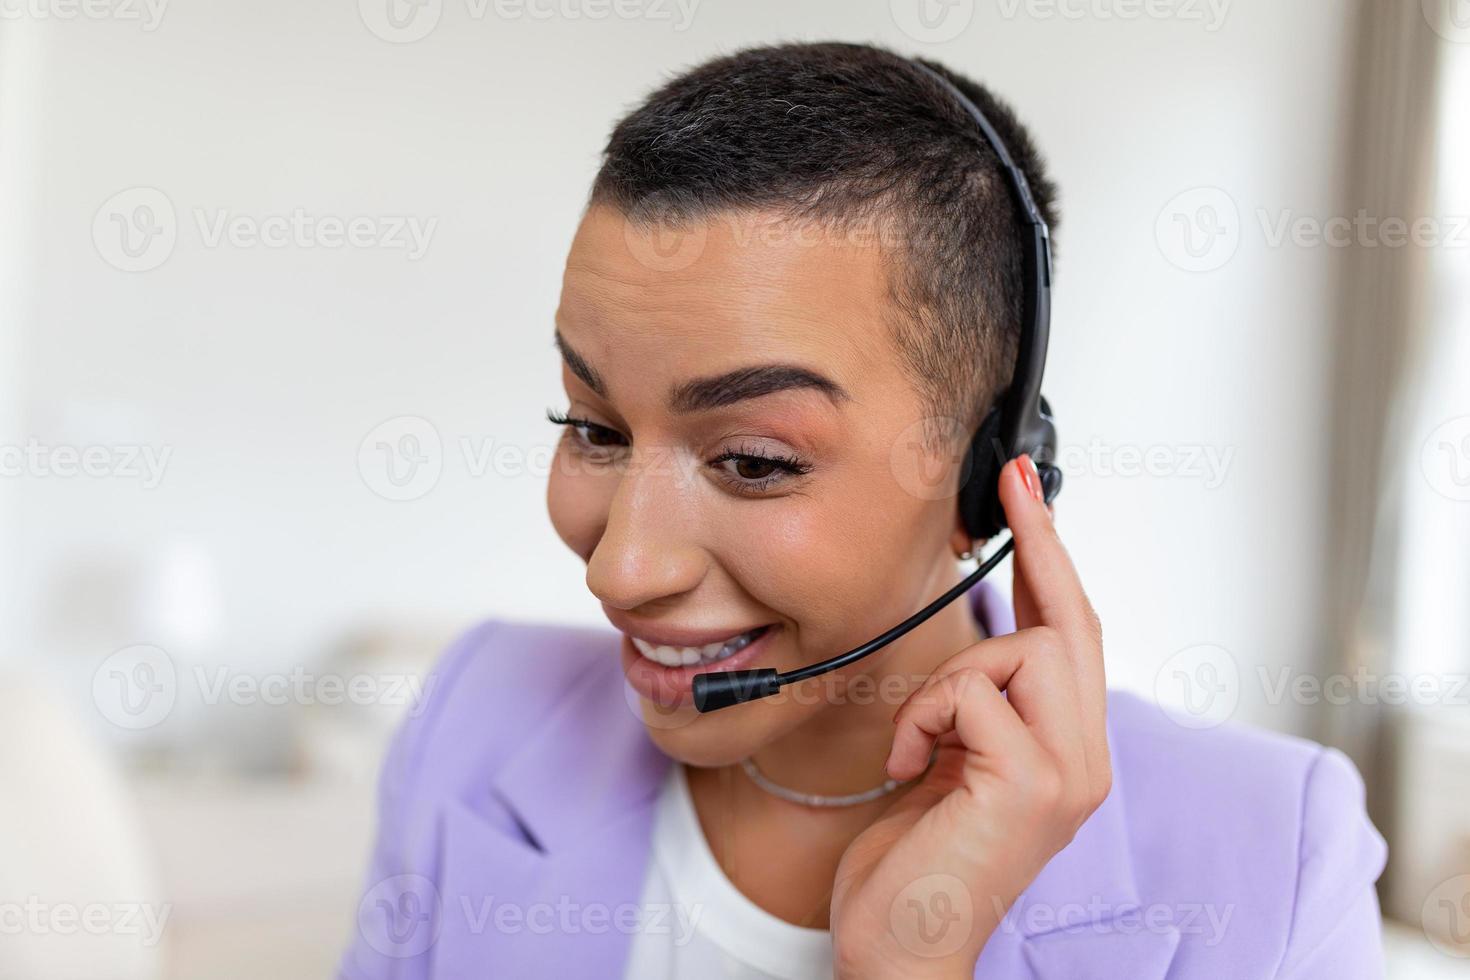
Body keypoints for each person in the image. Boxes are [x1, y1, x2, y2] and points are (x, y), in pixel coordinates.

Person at [339, 41, 1387, 979]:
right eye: (594, 425)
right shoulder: (472, 718)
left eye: (752, 459)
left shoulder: (1275, 858)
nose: (620, 568)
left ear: (987, 476)